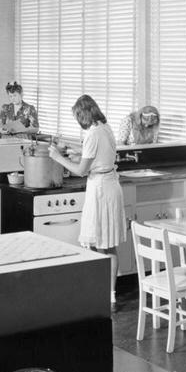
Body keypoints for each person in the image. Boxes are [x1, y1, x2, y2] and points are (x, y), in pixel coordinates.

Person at [48, 95, 125, 311]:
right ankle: (109, 296)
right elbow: (99, 155)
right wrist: (78, 152)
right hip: (109, 185)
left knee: (96, 243)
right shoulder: (105, 127)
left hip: (101, 189)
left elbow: (81, 170)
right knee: (107, 244)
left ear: (83, 115)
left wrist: (58, 157)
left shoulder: (92, 134)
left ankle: (100, 293)